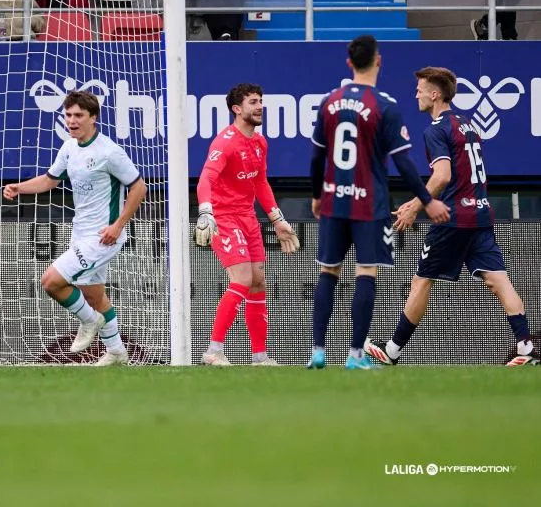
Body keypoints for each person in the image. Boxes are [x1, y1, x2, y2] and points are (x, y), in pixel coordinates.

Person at [365, 66, 540, 367]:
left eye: (420, 88)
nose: (416, 93)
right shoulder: (468, 124)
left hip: (453, 217)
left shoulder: (435, 129)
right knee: (499, 281)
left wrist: (415, 205)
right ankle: (526, 348)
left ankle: (392, 352)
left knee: (421, 282)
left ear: (435, 94)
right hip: (482, 214)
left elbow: (442, 175)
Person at [308, 35, 450, 371]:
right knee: (365, 273)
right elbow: (403, 163)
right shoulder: (385, 105)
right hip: (368, 203)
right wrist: (427, 201)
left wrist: (317, 195)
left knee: (328, 271)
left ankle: (317, 350)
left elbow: (317, 157)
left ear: (348, 63)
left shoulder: (330, 101)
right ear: (379, 61)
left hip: (334, 199)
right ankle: (355, 356)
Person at [3, 91, 147, 366]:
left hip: (103, 236)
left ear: (93, 118)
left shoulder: (109, 152)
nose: (72, 120)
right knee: (94, 295)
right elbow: (49, 180)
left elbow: (139, 187)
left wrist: (118, 226)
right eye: (68, 115)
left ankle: (89, 322)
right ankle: (117, 352)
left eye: (79, 115)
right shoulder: (69, 148)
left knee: (51, 282)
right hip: (80, 232)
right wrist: (18, 188)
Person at [194, 83, 300, 366]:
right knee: (241, 280)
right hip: (224, 218)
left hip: (248, 217)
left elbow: (260, 182)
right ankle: (213, 351)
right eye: (253, 102)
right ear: (237, 109)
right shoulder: (225, 142)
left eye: (261, 101)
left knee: (258, 282)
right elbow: (206, 179)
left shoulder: (260, 142)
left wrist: (277, 220)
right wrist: (206, 212)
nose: (260, 106)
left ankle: (259, 356)